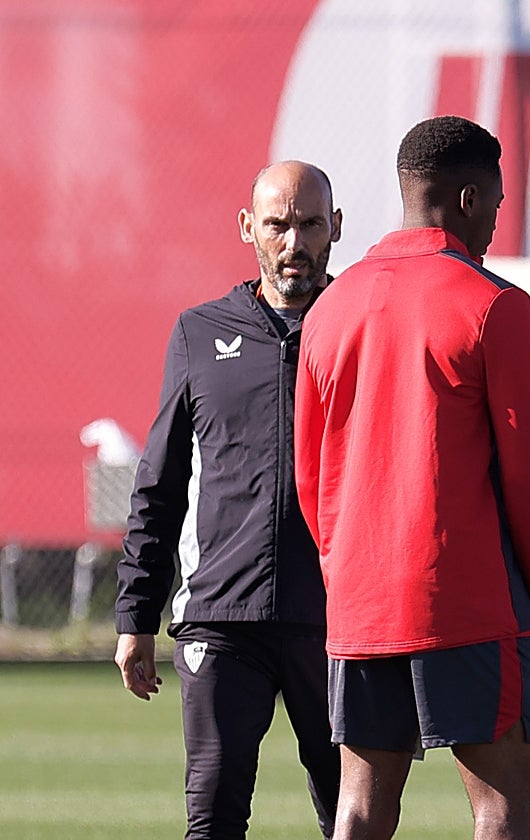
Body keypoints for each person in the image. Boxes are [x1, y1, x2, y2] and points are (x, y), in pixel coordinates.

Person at [293, 115, 530, 840]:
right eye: (498, 204)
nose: (496, 223)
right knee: (500, 806)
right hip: (470, 602)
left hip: (361, 603)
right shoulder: (496, 304)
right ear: (470, 198)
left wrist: (346, 577)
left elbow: (312, 481)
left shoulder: (328, 307)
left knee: (359, 806)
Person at [114, 160, 344, 839]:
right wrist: (136, 612)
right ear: (248, 228)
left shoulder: (363, 325)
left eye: (309, 224)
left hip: (338, 619)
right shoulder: (198, 331)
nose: (294, 242)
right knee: (212, 816)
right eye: (277, 225)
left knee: (355, 818)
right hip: (221, 617)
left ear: (335, 226)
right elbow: (159, 483)